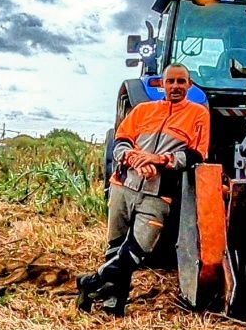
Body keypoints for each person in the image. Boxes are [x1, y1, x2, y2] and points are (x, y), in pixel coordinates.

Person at [77, 64, 210, 315]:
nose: (176, 87)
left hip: (158, 194)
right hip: (123, 186)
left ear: (189, 86)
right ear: (162, 84)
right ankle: (113, 305)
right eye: (171, 81)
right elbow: (121, 141)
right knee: (115, 248)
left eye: (181, 82)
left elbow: (197, 154)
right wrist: (134, 158)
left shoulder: (198, 115)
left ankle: (89, 283)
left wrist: (160, 160)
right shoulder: (142, 109)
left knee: (135, 253)